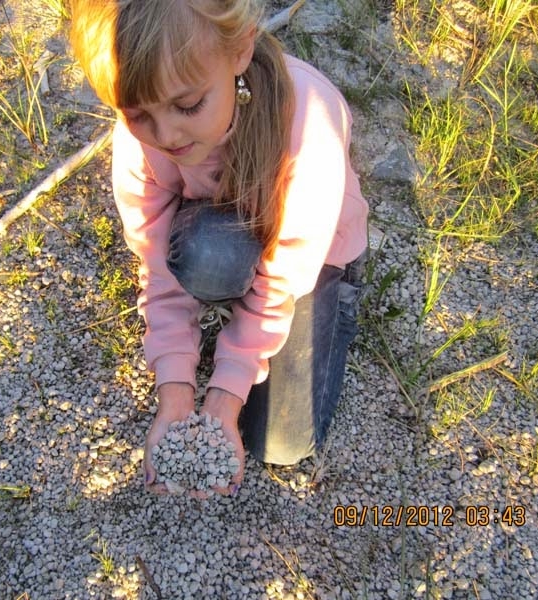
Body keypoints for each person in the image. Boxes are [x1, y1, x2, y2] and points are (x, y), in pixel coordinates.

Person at [69, 0, 369, 496]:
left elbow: (277, 284)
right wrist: (177, 393)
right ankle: (229, 290)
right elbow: (157, 261)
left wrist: (225, 400)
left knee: (281, 444)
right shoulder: (140, 139)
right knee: (207, 256)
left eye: (188, 106)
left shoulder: (308, 126)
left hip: (311, 258)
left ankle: (338, 298)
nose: (165, 136)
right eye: (139, 114)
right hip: (219, 231)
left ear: (240, 50)